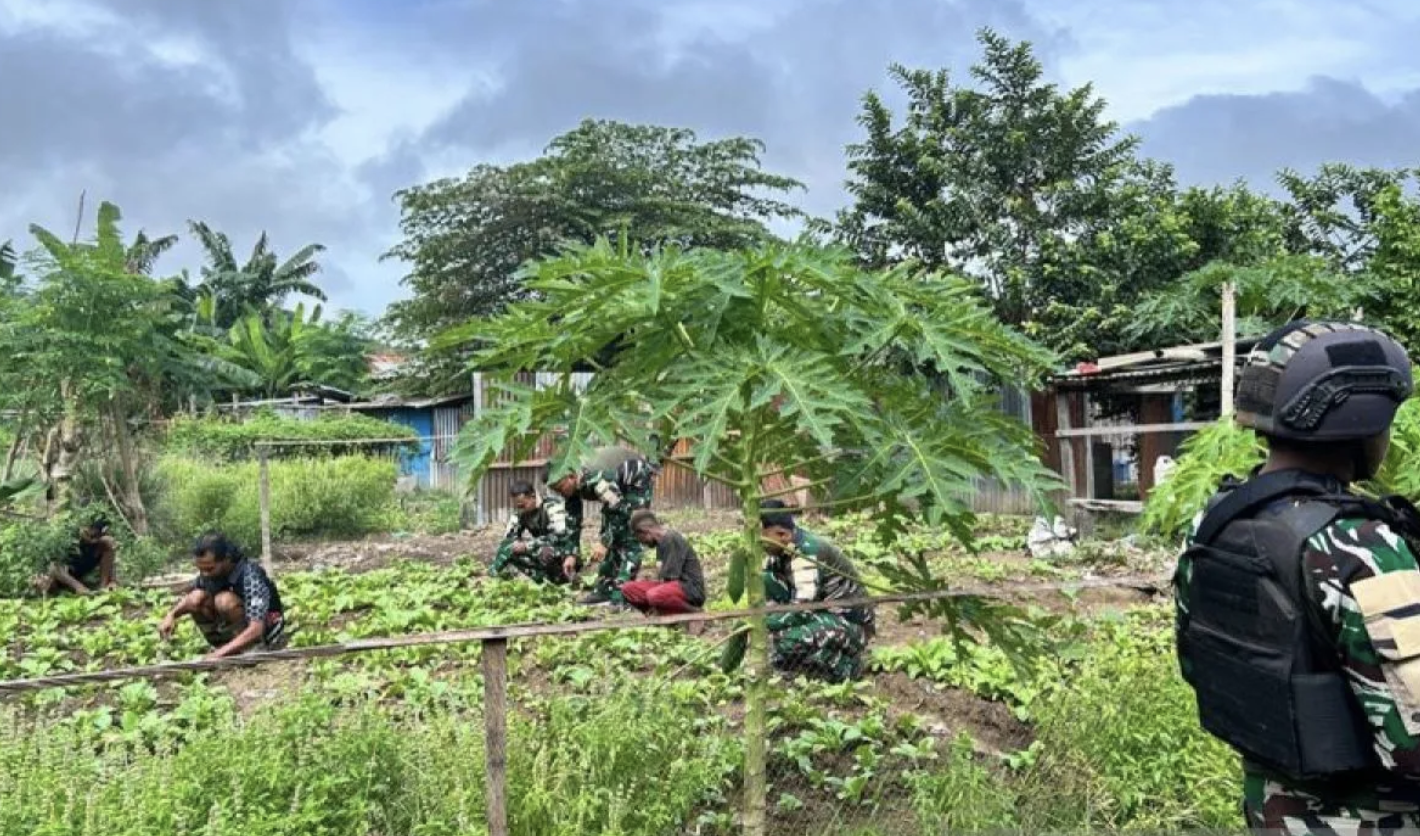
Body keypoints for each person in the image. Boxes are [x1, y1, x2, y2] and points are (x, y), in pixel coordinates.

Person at [1173, 320, 1420, 833]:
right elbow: (1413, 739)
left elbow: (1199, 664)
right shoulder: (1362, 548)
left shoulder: (1217, 521)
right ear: (1356, 418)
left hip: (1271, 814)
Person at [759, 499, 875, 683]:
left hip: (848, 623)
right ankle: (802, 663)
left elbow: (802, 610)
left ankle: (846, 667)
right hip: (819, 612)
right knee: (766, 579)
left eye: (763, 538)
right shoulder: (778, 554)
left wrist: (763, 624)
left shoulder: (807, 554)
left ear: (783, 535)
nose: (759, 544)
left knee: (788, 640)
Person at [545, 449, 657, 606]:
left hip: (635, 479)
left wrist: (604, 542)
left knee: (632, 531)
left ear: (571, 476)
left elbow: (619, 511)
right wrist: (571, 554)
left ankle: (625, 594)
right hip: (615, 492)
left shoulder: (596, 480)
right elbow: (573, 522)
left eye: (560, 487)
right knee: (611, 533)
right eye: (555, 490)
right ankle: (606, 589)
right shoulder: (572, 488)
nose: (560, 493)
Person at [158, 531, 286, 659]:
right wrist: (172, 615)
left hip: (265, 628)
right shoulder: (210, 574)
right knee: (196, 597)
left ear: (226, 559)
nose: (205, 574)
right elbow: (191, 599)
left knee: (224, 600)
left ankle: (252, 648)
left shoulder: (250, 575)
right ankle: (223, 646)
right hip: (239, 629)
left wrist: (218, 655)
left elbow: (256, 628)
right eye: (201, 569)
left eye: (209, 569)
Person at [489, 481, 580, 584]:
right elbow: (508, 538)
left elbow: (560, 536)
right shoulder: (521, 512)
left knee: (545, 552)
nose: (520, 509)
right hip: (539, 547)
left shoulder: (551, 506)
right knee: (509, 547)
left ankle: (563, 578)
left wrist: (528, 545)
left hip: (564, 550)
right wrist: (514, 545)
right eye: (517, 506)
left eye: (522, 505)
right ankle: (541, 580)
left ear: (533, 497)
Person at [620, 509, 706, 615]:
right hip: (672, 587)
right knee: (628, 589)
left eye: (640, 538)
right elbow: (662, 576)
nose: (643, 543)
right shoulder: (660, 543)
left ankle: (694, 613)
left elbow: (670, 578)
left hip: (690, 589)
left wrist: (652, 584)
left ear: (644, 531)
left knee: (654, 595)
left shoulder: (671, 539)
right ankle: (656, 614)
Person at [33, 513, 117, 595]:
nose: (91, 540)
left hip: (79, 571)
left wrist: (112, 580)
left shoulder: (101, 536)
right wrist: (79, 587)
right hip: (60, 577)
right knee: (45, 582)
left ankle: (103, 586)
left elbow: (110, 553)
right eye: (88, 535)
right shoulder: (67, 535)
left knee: (108, 542)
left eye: (95, 536)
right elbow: (54, 567)